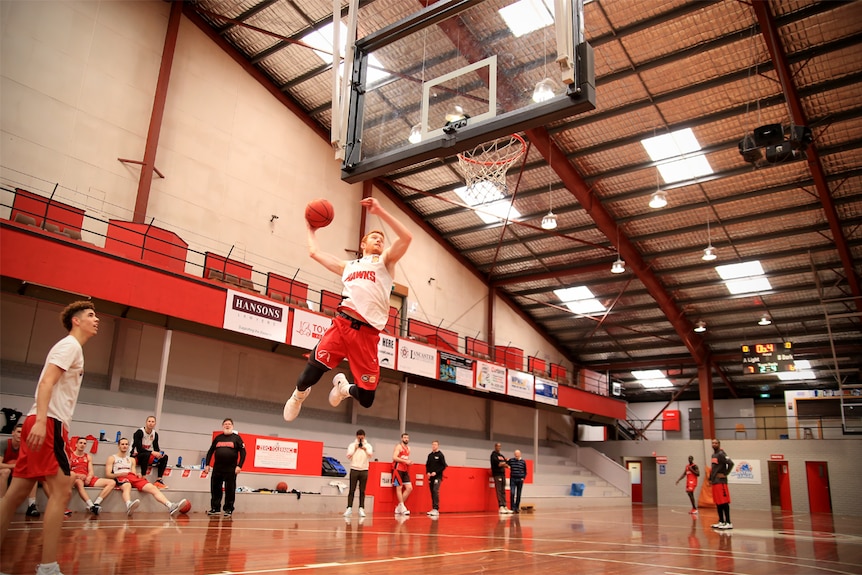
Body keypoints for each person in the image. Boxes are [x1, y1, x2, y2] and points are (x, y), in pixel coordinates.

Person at [282, 196, 412, 421]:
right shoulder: (348, 266)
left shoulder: (386, 262)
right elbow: (314, 253)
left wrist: (380, 211)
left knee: (367, 399)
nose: (379, 240)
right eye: (374, 237)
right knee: (307, 377)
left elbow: (407, 237)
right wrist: (310, 229)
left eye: (381, 238)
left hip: (368, 335)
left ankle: (344, 388)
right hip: (341, 326)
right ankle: (297, 396)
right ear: (363, 244)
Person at [0, 301, 99, 575]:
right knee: (62, 489)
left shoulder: (72, 348)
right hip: (49, 422)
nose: (96, 319)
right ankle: (48, 567)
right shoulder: (70, 346)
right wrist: (42, 421)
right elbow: (46, 383)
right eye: (91, 315)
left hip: (46, 421)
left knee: (15, 494)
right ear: (76, 321)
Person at [105, 437, 186, 517]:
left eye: (126, 444)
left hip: (131, 477)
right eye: (122, 444)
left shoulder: (131, 459)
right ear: (118, 446)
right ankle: (129, 504)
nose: (124, 446)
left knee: (152, 487)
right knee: (127, 485)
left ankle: (170, 505)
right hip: (120, 477)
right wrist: (119, 474)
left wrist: (138, 474)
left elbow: (133, 472)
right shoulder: (112, 458)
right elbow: (108, 474)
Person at [204, 418, 246, 518]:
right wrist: (207, 464)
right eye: (225, 424)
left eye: (229, 424)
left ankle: (228, 509)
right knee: (215, 489)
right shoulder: (218, 438)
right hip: (217, 468)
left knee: (230, 490)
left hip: (231, 469)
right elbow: (210, 451)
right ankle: (215, 508)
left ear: (232, 426)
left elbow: (243, 453)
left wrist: (239, 466)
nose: (227, 425)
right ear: (222, 426)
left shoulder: (237, 438)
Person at [0, 423, 41, 517]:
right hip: (4, 471)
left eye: (22, 433)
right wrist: (15, 465)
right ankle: (2, 503)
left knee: (32, 474)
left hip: (16, 473)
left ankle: (31, 505)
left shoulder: (26, 447)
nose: (20, 435)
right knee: (5, 471)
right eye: (18, 432)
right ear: (13, 433)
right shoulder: (4, 444)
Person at [69, 436, 116, 515]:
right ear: (76, 444)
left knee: (112, 482)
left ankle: (96, 503)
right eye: (80, 443)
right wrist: (77, 475)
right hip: (76, 478)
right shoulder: (70, 456)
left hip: (86, 477)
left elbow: (91, 471)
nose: (82, 445)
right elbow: (68, 471)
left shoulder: (88, 456)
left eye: (84, 443)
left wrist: (89, 477)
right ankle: (91, 506)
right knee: (79, 483)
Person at [132, 415, 168, 488]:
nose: (150, 423)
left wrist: (159, 454)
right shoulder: (139, 432)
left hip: (146, 456)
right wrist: (152, 452)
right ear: (146, 422)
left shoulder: (155, 434)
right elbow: (139, 449)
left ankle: (159, 480)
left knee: (164, 457)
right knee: (146, 454)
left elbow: (156, 448)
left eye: (152, 422)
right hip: (135, 456)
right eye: (149, 421)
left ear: (155, 424)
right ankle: (143, 477)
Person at [343, 429, 372, 518]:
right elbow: (348, 456)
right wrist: (355, 449)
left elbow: (370, 455)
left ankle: (361, 508)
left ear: (364, 437)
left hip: (364, 470)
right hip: (354, 469)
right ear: (356, 436)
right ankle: (349, 508)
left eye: (362, 437)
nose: (360, 438)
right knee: (352, 490)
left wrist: (365, 448)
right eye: (359, 436)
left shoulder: (368, 446)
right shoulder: (352, 445)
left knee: (362, 491)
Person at [709, 439, 734, 530]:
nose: (714, 444)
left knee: (724, 502)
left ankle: (728, 522)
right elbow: (713, 468)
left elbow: (731, 463)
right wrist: (710, 478)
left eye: (716, 443)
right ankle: (721, 521)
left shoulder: (721, 454)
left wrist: (725, 473)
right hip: (715, 481)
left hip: (721, 482)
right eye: (713, 443)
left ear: (719, 444)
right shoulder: (713, 455)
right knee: (718, 502)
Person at [392, 433, 413, 515]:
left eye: (407, 437)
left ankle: (399, 506)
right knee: (399, 487)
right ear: (402, 439)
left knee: (409, 488)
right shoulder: (399, 447)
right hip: (397, 469)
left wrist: (409, 462)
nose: (406, 439)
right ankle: (402, 507)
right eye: (404, 437)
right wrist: (405, 461)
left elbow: (406, 459)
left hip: (405, 469)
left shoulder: (408, 448)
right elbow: (394, 457)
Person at [425, 440, 447, 517]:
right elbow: (427, 465)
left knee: (435, 490)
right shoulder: (430, 455)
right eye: (433, 445)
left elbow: (444, 465)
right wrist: (427, 472)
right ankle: (433, 508)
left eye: (435, 445)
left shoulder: (440, 455)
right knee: (432, 491)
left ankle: (436, 509)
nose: (434, 446)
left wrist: (436, 472)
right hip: (431, 477)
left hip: (437, 476)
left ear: (438, 446)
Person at [490, 442, 512, 514]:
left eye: (500, 447)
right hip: (497, 474)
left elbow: (506, 465)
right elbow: (499, 464)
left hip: (503, 474)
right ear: (495, 447)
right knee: (499, 490)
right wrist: (504, 462)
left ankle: (505, 505)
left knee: (503, 490)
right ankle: (501, 506)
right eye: (498, 446)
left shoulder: (501, 456)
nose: (499, 448)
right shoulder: (493, 455)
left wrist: (505, 463)